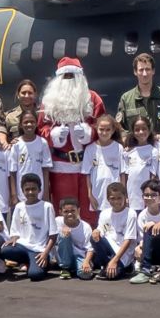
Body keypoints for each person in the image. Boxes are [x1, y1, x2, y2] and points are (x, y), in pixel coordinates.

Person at [38, 57, 107, 222]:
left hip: (88, 166)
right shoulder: (49, 101)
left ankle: (90, 245)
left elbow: (103, 125)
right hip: (61, 167)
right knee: (65, 213)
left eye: (73, 76)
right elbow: (41, 128)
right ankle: (65, 244)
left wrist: (90, 133)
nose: (69, 80)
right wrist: (53, 136)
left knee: (89, 211)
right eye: (66, 76)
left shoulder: (93, 98)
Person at [1, 173, 58, 281]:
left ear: (39, 190)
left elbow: (53, 235)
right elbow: (15, 231)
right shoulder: (19, 207)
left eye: (33, 189)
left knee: (35, 275)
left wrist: (45, 253)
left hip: (39, 249)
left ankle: (42, 263)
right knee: (5, 250)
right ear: (22, 191)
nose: (30, 192)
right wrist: (13, 238)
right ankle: (27, 261)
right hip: (23, 246)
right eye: (27, 189)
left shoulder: (47, 206)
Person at [115, 53, 160, 134]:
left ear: (153, 71)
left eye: (147, 69)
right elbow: (120, 128)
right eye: (141, 70)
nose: (144, 74)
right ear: (135, 72)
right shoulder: (126, 99)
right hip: (136, 145)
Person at [80, 115, 125, 223]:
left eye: (108, 130)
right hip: (98, 194)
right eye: (101, 129)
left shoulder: (118, 148)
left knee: (116, 222)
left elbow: (122, 173)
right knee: (102, 224)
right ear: (96, 128)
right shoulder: (90, 149)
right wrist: (90, 195)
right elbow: (87, 174)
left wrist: (123, 193)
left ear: (113, 130)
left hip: (115, 194)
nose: (104, 133)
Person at [93, 182, 138, 281]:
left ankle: (125, 266)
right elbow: (101, 230)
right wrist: (96, 231)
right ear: (108, 199)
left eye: (119, 198)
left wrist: (115, 260)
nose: (116, 201)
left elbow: (128, 240)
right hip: (110, 249)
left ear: (125, 197)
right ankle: (105, 266)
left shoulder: (131, 213)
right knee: (94, 238)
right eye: (112, 198)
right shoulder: (104, 213)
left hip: (123, 254)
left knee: (114, 275)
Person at [127, 178, 160, 284]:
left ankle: (146, 269)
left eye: (153, 195)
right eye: (146, 195)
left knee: (150, 227)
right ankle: (150, 268)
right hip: (153, 249)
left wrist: (155, 225)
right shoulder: (142, 216)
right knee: (139, 249)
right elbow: (142, 239)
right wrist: (140, 248)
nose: (149, 198)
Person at [7, 111, 53, 196]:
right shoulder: (16, 145)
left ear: (36, 124)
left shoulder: (42, 143)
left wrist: (46, 193)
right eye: (25, 122)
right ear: (20, 125)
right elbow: (12, 172)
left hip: (39, 192)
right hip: (21, 193)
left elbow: (46, 170)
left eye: (32, 122)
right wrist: (13, 195)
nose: (29, 124)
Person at [121, 115, 158, 212]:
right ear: (132, 132)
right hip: (131, 195)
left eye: (144, 129)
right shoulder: (128, 152)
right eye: (137, 129)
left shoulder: (153, 151)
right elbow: (125, 176)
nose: (141, 132)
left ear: (149, 130)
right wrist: (125, 195)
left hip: (145, 197)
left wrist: (149, 195)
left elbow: (152, 176)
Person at [53, 197, 95, 280]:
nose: (69, 214)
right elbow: (50, 240)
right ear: (60, 212)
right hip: (64, 257)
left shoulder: (85, 227)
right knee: (64, 235)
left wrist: (86, 261)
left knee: (85, 275)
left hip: (79, 256)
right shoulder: (56, 222)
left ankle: (79, 267)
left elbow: (90, 248)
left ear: (78, 210)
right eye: (66, 211)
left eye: (73, 211)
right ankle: (65, 268)